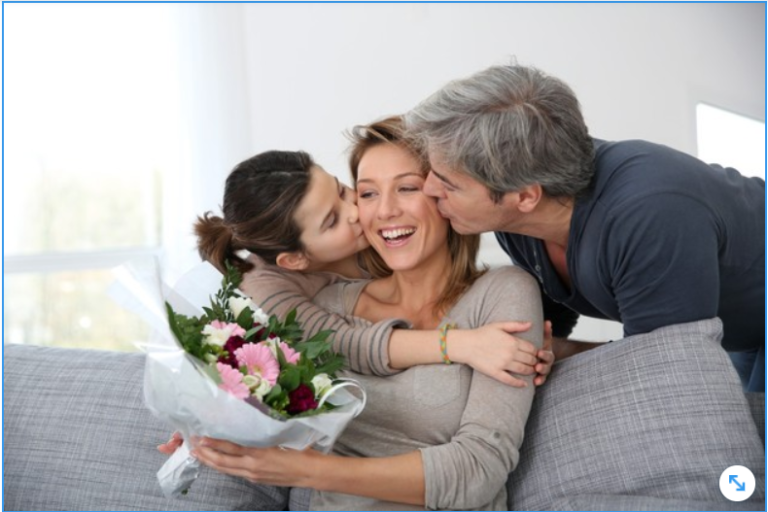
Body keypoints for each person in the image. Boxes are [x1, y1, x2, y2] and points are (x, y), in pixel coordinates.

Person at [185, 116, 543, 510]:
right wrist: (202, 425)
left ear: (444, 193)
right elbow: (254, 370)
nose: (378, 211)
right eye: (368, 193)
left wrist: (309, 472)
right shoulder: (312, 308)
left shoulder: (503, 293)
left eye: (407, 188)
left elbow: (477, 472)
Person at [404, 63, 765, 392]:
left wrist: (564, 352)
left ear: (525, 196)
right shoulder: (516, 212)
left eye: (448, 183)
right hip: (742, 329)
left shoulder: (646, 216)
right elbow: (550, 315)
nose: (429, 189)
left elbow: (664, 368)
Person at [192, 149, 553, 387]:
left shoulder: (381, 237)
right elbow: (342, 344)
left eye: (342, 191)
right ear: (296, 260)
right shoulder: (264, 294)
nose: (356, 212)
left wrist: (531, 349)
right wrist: (459, 345)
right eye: (332, 219)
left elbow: (467, 314)